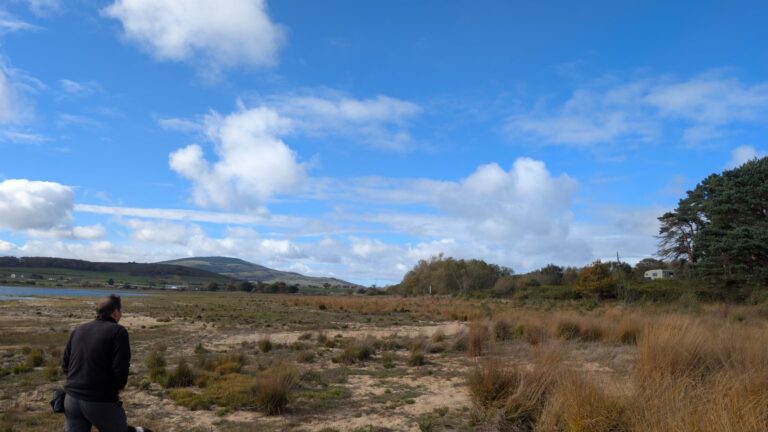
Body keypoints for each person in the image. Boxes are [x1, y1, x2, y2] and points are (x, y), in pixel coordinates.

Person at [61, 294, 152, 432]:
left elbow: (65, 365)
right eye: (121, 311)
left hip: (71, 399)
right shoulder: (118, 332)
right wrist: (111, 391)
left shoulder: (78, 329)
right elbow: (120, 370)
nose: (121, 314)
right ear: (115, 312)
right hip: (100, 399)